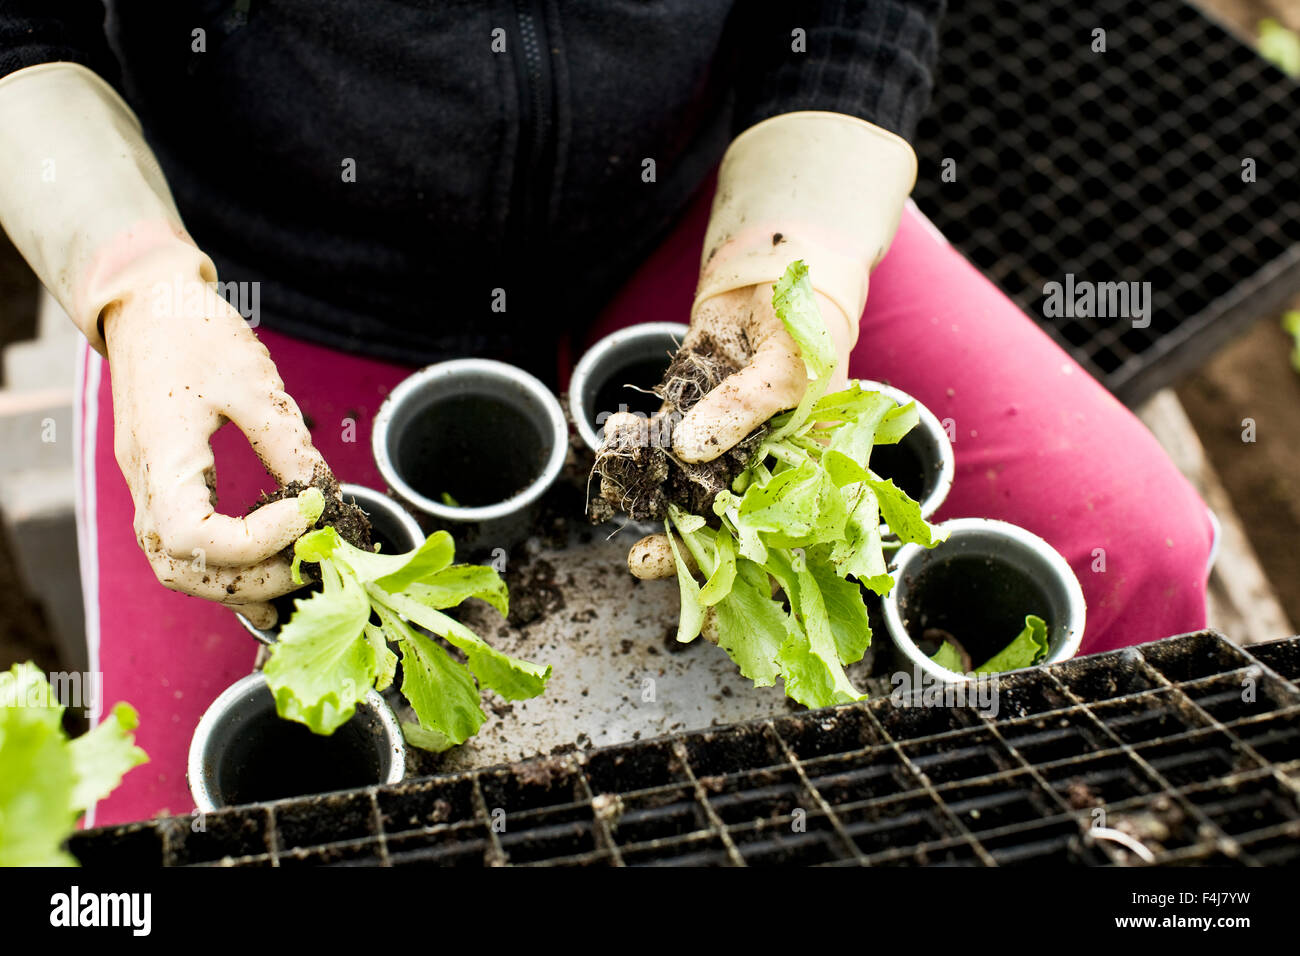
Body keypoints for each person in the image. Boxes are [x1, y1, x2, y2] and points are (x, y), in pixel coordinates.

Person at [0, 1, 1214, 825]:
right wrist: (131, 277)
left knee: (1128, 551)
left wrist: (805, 218)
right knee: (172, 816)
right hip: (264, 293)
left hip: (704, 217)